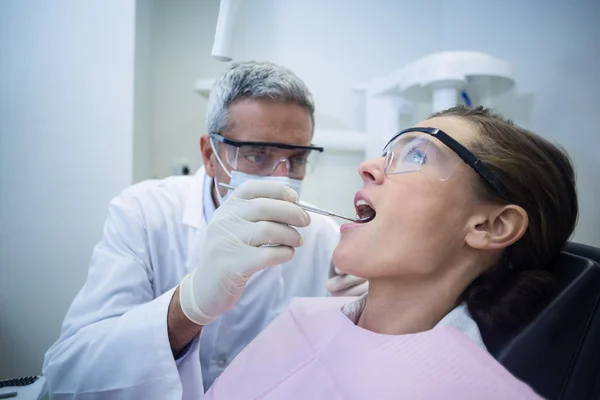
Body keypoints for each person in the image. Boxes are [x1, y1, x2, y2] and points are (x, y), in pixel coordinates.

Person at [202, 106, 579, 399]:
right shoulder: (305, 316)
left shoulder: (469, 389)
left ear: (490, 226)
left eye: (416, 156)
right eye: (387, 154)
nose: (367, 168)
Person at [42, 61, 368, 399]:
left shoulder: (321, 237)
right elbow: (68, 372)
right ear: (210, 155)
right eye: (257, 155)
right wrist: (189, 304)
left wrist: (360, 322)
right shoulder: (143, 213)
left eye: (297, 159)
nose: (279, 177)